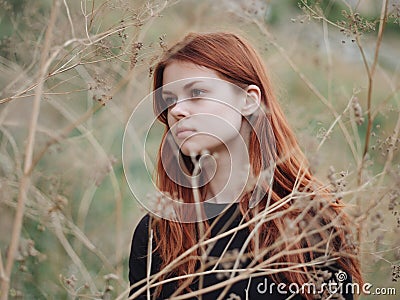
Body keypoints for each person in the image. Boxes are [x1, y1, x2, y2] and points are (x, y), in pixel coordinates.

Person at [128, 32, 362, 299]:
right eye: (169, 100)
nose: (177, 110)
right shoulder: (158, 234)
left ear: (249, 99)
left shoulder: (311, 224)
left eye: (197, 93)